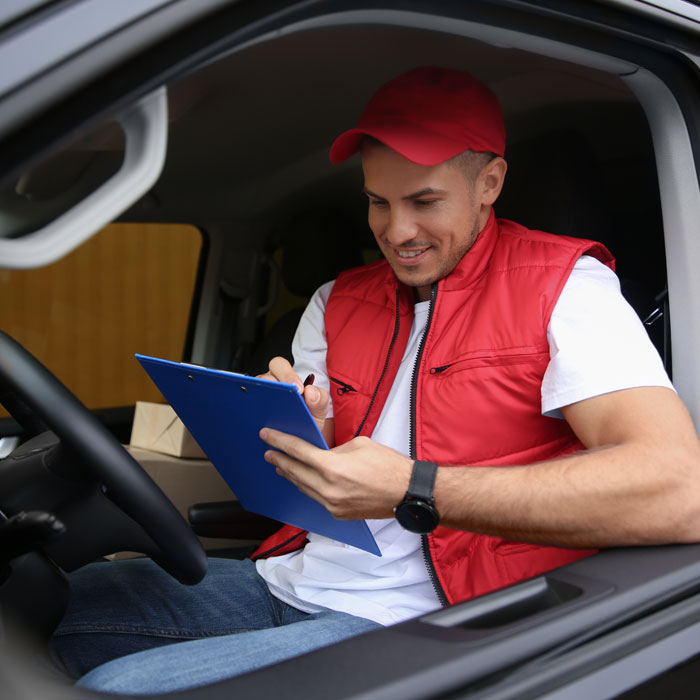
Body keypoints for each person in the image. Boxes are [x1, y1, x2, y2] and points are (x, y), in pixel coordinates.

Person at [51, 66, 700, 694]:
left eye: (424, 202)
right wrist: (296, 424)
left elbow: (677, 491)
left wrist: (414, 486)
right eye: (377, 202)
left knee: (118, 688)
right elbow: (321, 472)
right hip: (287, 576)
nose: (397, 231)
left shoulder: (567, 290)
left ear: (490, 183)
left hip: (427, 620)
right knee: (47, 603)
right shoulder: (336, 300)